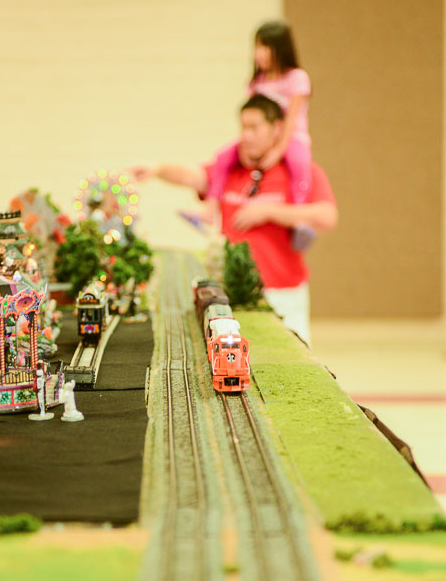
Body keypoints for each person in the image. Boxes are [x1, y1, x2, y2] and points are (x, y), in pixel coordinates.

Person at [131, 94, 337, 345]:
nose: (246, 135)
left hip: (283, 291)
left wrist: (269, 212)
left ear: (276, 129)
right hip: (234, 291)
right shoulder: (229, 172)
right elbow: (191, 176)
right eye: (243, 127)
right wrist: (158, 169)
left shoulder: (299, 171)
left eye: (254, 127)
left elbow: (327, 216)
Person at [204, 21, 315, 251]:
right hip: (263, 140)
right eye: (257, 48)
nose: (259, 54)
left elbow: (291, 119)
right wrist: (247, 146)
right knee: (222, 157)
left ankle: (300, 219)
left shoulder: (296, 78)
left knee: (299, 162)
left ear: (280, 49)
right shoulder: (258, 81)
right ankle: (211, 206)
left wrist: (278, 150)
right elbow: (251, 114)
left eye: (265, 48)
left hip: (291, 137)